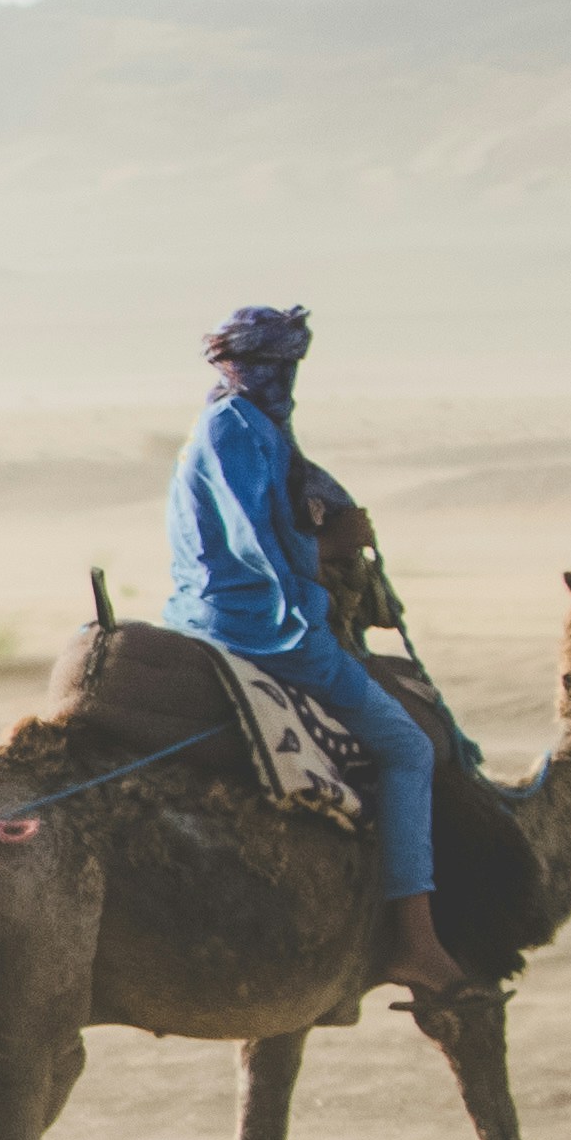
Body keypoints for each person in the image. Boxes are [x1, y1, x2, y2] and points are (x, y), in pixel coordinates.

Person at [166, 303, 470, 998]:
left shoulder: (249, 427)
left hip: (218, 614)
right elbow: (257, 545)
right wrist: (331, 546)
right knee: (408, 747)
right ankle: (415, 943)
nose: (285, 380)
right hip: (262, 625)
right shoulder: (235, 432)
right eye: (277, 367)